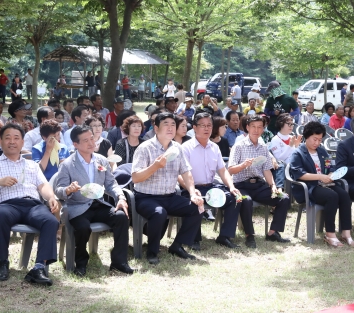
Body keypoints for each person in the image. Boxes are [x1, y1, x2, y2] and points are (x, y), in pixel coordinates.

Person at [0, 123, 61, 285]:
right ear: (0, 142)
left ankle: (38, 268)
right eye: (7, 138)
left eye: (16, 138)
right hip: (7, 205)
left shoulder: (32, 165)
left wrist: (51, 197)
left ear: (23, 142)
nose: (12, 142)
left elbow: (43, 186)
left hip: (33, 205)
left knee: (50, 220)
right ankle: (3, 261)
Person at [53, 124, 132, 276]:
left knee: (121, 217)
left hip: (98, 204)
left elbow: (111, 184)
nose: (91, 143)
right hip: (78, 206)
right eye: (85, 140)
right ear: (75, 144)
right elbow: (59, 190)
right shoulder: (68, 165)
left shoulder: (101, 160)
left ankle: (119, 262)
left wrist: (120, 197)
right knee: (82, 227)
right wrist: (68, 190)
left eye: (92, 138)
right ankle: (81, 264)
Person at [131, 112, 204, 264]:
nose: (171, 128)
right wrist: (155, 166)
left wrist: (192, 193)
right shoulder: (145, 148)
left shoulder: (177, 147)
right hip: (146, 197)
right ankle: (152, 252)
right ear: (156, 128)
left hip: (170, 196)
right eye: (166, 124)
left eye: (173, 124)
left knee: (197, 207)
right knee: (159, 213)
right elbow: (136, 177)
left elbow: (186, 172)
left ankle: (177, 246)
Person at [181, 112, 251, 249]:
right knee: (194, 203)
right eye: (203, 126)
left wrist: (231, 186)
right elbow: (181, 174)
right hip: (191, 188)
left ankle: (224, 236)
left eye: (209, 125)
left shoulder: (214, 147)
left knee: (235, 198)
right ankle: (194, 239)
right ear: (194, 127)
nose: (207, 129)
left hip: (211, 188)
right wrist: (191, 191)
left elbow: (223, 170)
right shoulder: (186, 148)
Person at [288, 121, 354, 246]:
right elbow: (299, 175)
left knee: (345, 195)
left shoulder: (322, 151)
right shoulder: (298, 153)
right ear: (306, 136)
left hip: (325, 184)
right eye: (314, 139)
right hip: (309, 187)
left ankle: (346, 232)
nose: (317, 143)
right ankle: (330, 234)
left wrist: (331, 175)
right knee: (332, 196)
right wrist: (320, 176)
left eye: (319, 140)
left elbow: (330, 167)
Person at [229, 115, 292, 245]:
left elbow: (267, 169)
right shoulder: (239, 146)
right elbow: (230, 170)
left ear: (263, 129)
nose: (256, 130)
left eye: (259, 127)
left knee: (283, 198)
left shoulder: (263, 147)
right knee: (247, 201)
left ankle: (273, 232)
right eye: (253, 127)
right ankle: (249, 235)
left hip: (259, 185)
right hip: (241, 184)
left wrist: (273, 185)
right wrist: (243, 165)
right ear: (247, 127)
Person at [268, 113, 301, 189]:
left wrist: (296, 146)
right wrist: (290, 146)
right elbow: (279, 159)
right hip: (284, 168)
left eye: (292, 124)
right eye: (289, 124)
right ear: (281, 124)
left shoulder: (291, 137)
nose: (291, 126)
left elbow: (295, 156)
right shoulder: (275, 139)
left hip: (295, 166)